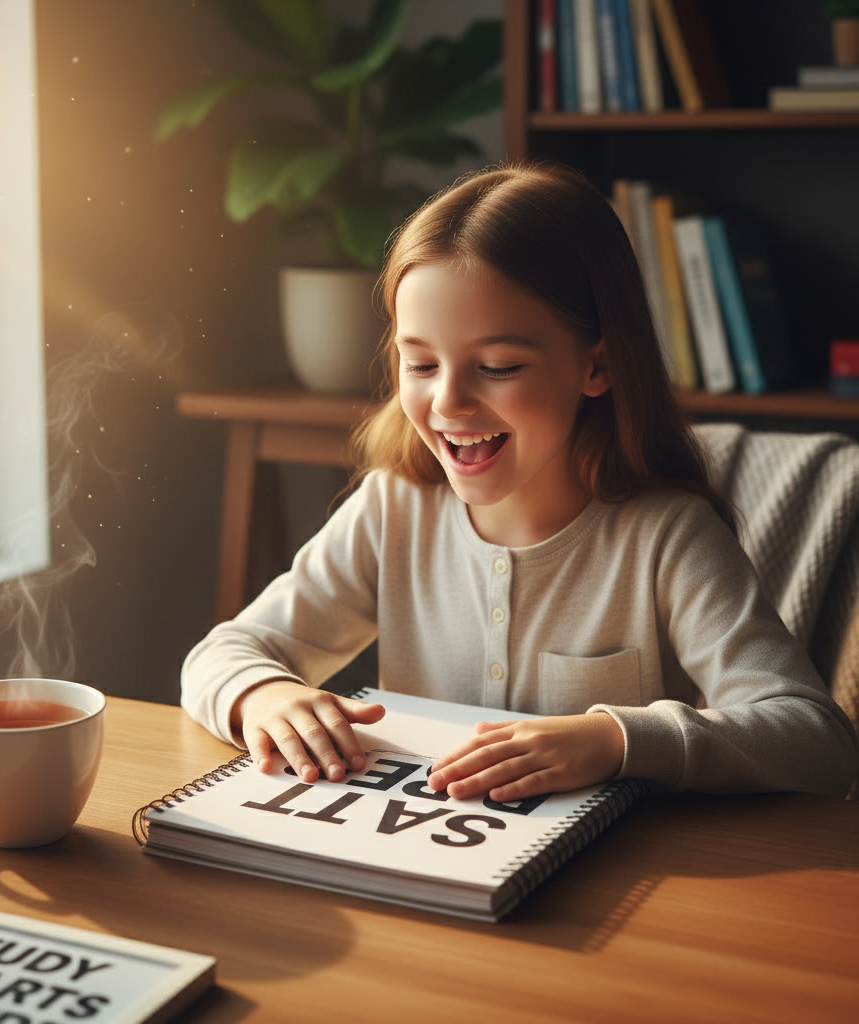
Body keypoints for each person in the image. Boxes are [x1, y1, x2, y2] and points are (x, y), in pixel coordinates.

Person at [181, 161, 858, 800]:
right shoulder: (394, 509)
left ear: (597, 366)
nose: (448, 402)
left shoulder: (668, 536)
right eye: (420, 365)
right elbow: (223, 653)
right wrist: (261, 694)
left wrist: (616, 739)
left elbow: (815, 741)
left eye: (499, 366)